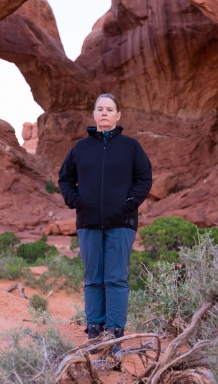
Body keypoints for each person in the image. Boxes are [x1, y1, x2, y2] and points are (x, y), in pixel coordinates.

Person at [58, 93, 152, 354]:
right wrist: (75, 199)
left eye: (110, 109)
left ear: (118, 115)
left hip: (121, 222)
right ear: (94, 114)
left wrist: (130, 203)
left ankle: (114, 335)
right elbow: (65, 178)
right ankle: (95, 332)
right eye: (100, 109)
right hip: (88, 221)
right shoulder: (80, 148)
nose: (104, 113)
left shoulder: (131, 147)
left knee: (116, 279)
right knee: (92, 279)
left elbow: (144, 177)